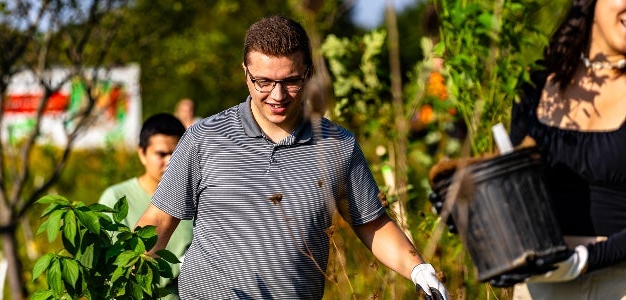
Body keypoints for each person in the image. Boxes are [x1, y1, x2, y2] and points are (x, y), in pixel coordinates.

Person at [135, 15, 449, 299]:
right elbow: (159, 221)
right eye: (264, 82)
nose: (277, 95)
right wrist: (119, 277)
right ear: (245, 73)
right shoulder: (204, 138)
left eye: (291, 81)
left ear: (308, 73)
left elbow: (372, 224)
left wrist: (418, 269)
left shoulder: (337, 145)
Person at [508, 0, 626, 298]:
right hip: (540, 287)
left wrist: (587, 259)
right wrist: (470, 208)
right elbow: (512, 195)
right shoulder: (533, 89)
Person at [98, 113, 193, 300]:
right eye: (161, 154)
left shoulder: (195, 198)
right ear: (142, 153)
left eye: (176, 153)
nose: (169, 161)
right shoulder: (116, 198)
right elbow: (111, 262)